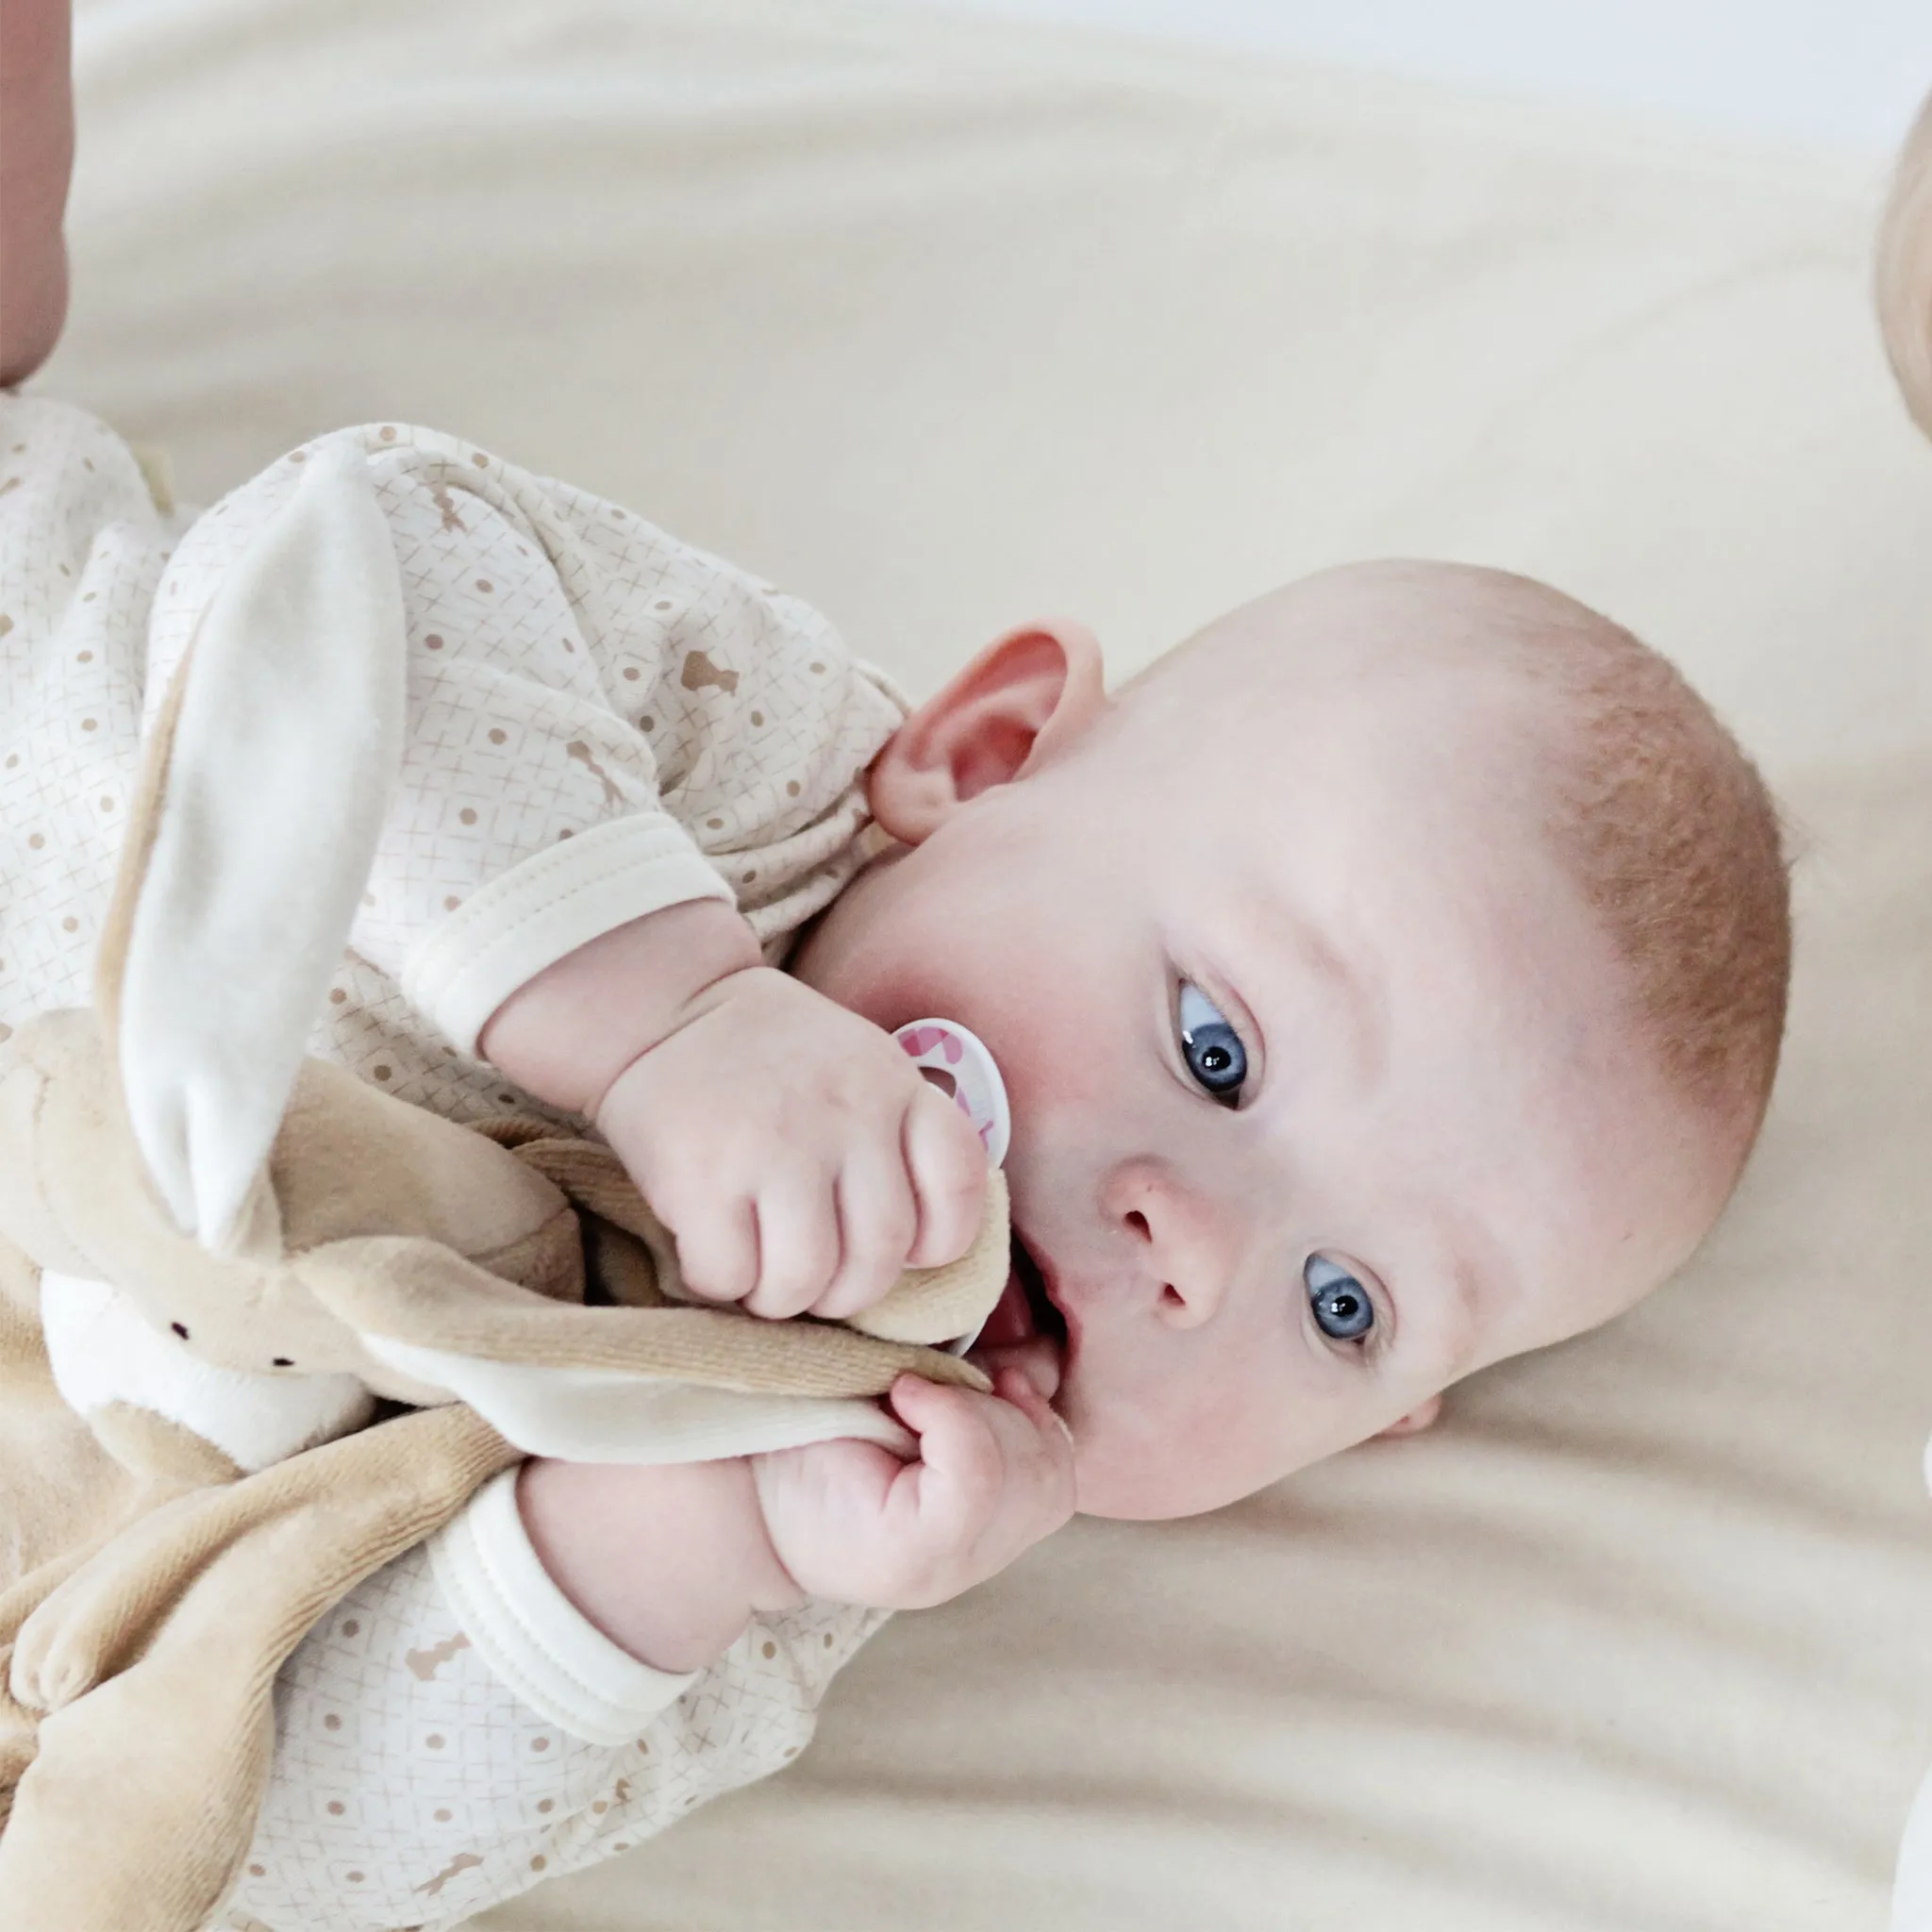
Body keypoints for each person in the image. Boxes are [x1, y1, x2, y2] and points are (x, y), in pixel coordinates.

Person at [0, 5, 1790, 1927]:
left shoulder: (816, 1499)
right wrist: (663, 1010)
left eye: (1343, 1307)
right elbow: (339, 564)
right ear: (985, 755)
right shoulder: (759, 782)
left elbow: (276, 1839)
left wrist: (701, 1535)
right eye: (1212, 1045)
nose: (1196, 1251)